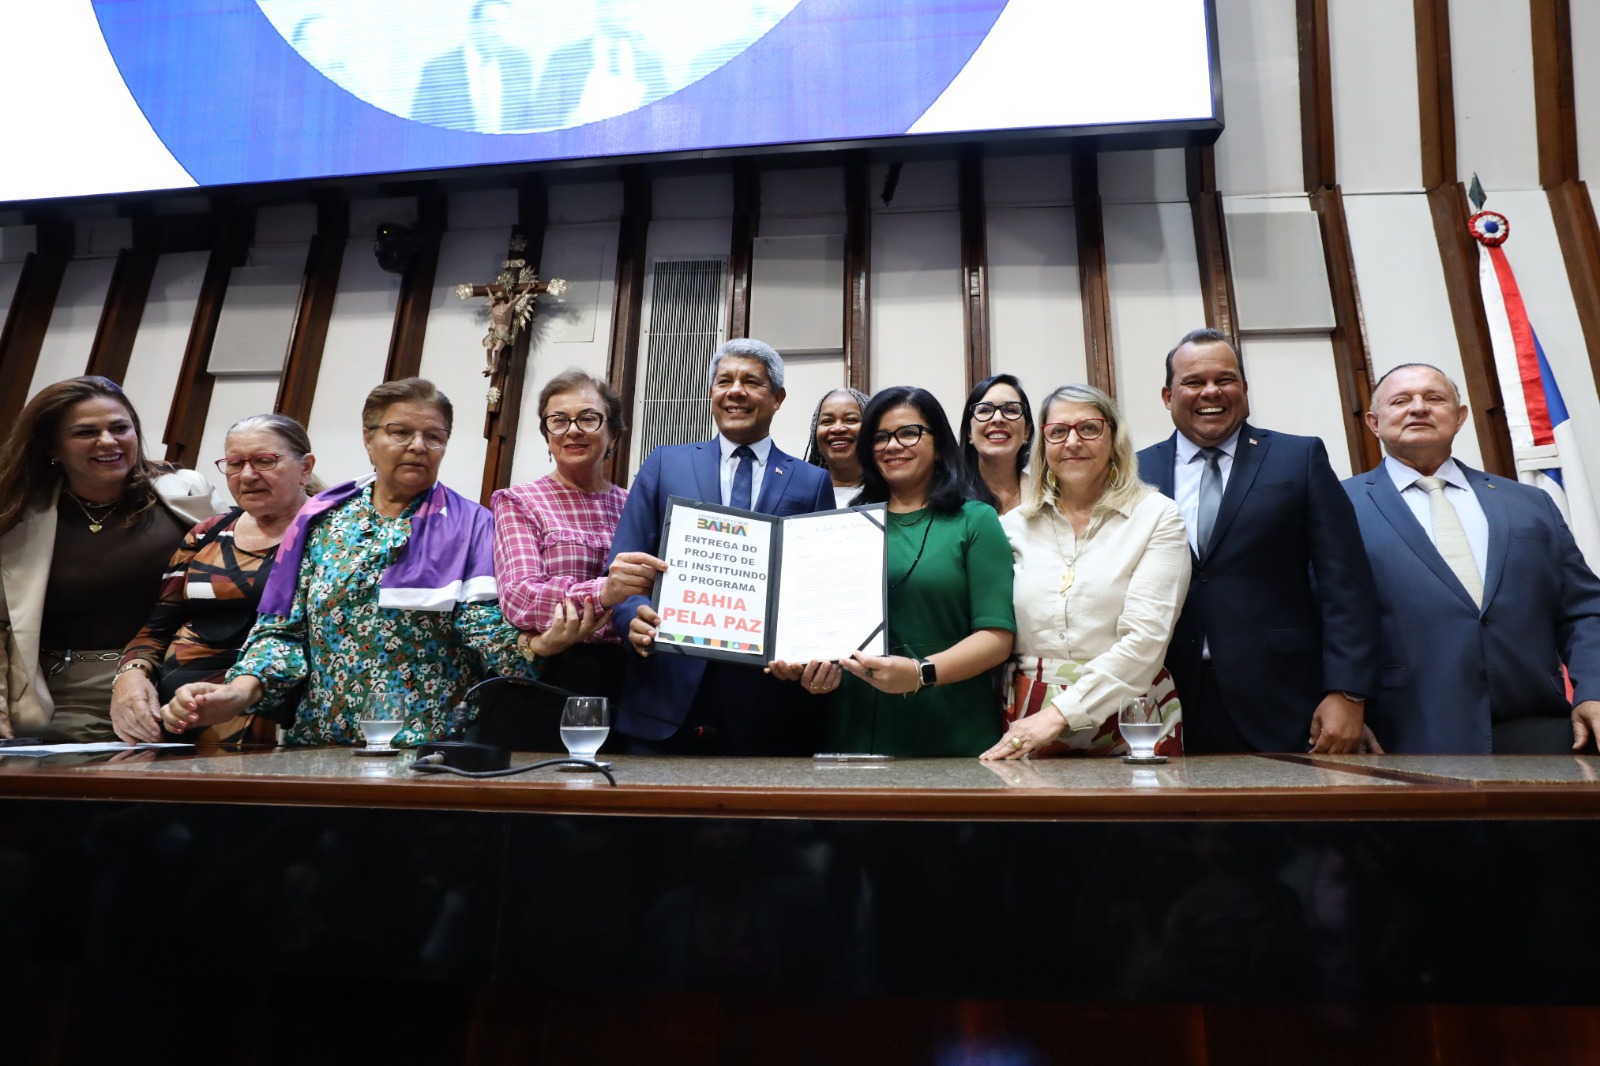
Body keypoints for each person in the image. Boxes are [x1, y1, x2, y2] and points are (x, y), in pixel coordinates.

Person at [162, 379, 572, 745]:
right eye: (400, 432)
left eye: (434, 436)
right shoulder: (321, 520)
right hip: (324, 742)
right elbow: (282, 633)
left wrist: (537, 646)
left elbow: (485, 630)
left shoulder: (475, 525)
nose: (417, 446)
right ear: (368, 438)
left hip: (431, 746)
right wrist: (238, 693)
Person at [1136, 328, 1379, 754]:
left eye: (1224, 379)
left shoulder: (1298, 459)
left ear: (1244, 389)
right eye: (1193, 382)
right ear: (1167, 395)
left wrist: (1348, 692)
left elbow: (1346, 585)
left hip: (1284, 700)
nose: (1211, 391)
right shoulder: (1137, 472)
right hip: (1166, 701)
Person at [1344, 363, 1600, 754]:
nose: (1418, 408)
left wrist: (1593, 689)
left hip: (1539, 727)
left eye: (1434, 398)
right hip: (1404, 732)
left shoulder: (1529, 503)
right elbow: (1317, 618)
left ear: (1460, 417)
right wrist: (1343, 703)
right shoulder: (1337, 506)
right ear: (1374, 423)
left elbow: (1584, 608)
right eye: (1401, 400)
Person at [600, 339, 839, 755]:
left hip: (768, 702)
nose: (735, 391)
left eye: (752, 382)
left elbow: (817, 589)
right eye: (724, 380)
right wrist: (628, 618)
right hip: (664, 694)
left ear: (777, 398)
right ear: (711, 394)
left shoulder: (810, 481)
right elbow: (625, 563)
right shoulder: (664, 463)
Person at [0, 376, 226, 742]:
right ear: (51, 445)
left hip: (177, 682)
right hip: (58, 698)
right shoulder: (17, 513)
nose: (108, 441)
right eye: (86, 432)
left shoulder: (188, 491)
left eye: (120, 428)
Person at [983, 385, 1190, 759]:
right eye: (1058, 432)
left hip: (1131, 711)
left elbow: (1146, 642)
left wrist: (1059, 714)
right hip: (1028, 716)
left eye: (1089, 428)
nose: (1072, 441)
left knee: (1142, 816)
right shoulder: (1011, 526)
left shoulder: (1157, 516)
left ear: (1114, 438)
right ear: (1043, 445)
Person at [113, 415, 322, 745]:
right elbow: (159, 625)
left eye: (265, 461)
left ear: (305, 467)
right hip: (176, 713)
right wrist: (131, 673)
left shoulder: (332, 534)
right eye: (235, 463)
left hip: (272, 708)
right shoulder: (207, 532)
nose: (248, 475)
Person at [830, 386, 1016, 757]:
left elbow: (997, 638)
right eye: (880, 437)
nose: (892, 446)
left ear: (939, 444)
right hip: (857, 723)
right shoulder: (845, 526)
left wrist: (919, 673)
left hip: (951, 720)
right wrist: (814, 672)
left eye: (909, 433)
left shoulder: (975, 519)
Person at [490, 369, 632, 746]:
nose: (573, 430)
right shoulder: (518, 501)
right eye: (558, 420)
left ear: (613, 432)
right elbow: (521, 597)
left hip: (632, 678)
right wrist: (607, 593)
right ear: (547, 435)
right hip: (553, 675)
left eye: (588, 418)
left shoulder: (635, 504)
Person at [410, 0, 537, 133]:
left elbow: (528, 121)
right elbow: (420, 127)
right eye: (491, 23)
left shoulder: (520, 63)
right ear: (473, 24)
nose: (499, 32)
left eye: (504, 24)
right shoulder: (437, 70)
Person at [960, 373, 1034, 515]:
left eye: (1011, 410)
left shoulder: (1048, 498)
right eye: (985, 410)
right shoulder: (948, 498)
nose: (998, 418)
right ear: (969, 431)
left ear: (1026, 431)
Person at [802, 386, 870, 506]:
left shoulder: (893, 493)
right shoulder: (798, 493)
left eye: (850, 420)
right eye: (827, 421)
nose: (837, 428)